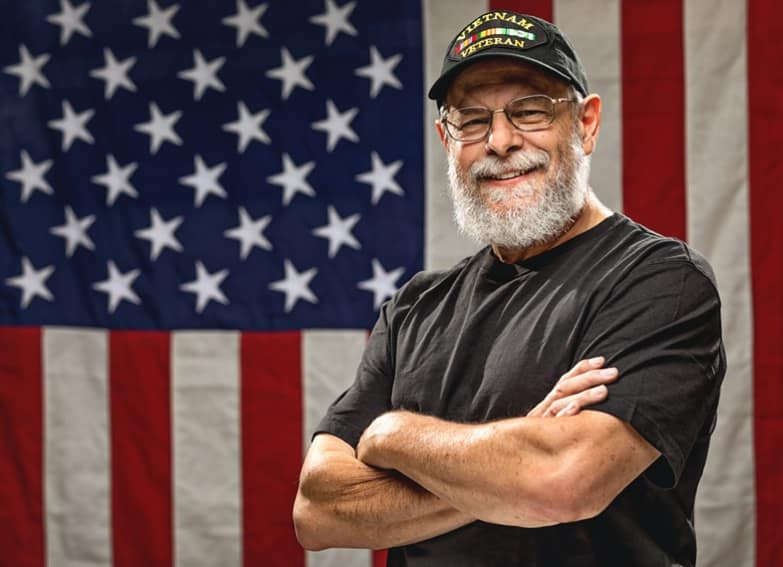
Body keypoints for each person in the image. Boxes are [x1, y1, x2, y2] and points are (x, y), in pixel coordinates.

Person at [293, 10, 725, 567]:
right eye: (471, 119)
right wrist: (513, 467)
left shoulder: (658, 281)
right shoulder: (415, 308)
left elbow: (564, 482)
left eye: (529, 111)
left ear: (587, 124)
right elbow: (317, 510)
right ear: (446, 138)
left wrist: (393, 434)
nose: (499, 140)